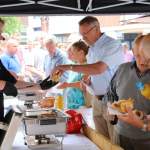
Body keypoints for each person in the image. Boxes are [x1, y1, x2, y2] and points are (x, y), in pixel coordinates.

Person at [52, 16, 124, 138]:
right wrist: (88, 79)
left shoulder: (112, 45)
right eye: (81, 34)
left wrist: (68, 67)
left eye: (85, 34)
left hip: (113, 100)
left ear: (96, 29)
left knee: (115, 141)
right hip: (96, 100)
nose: (83, 38)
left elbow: (98, 68)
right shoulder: (91, 49)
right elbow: (97, 73)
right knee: (101, 141)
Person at [104, 34, 150, 150]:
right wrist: (110, 108)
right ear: (133, 51)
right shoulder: (122, 69)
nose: (142, 61)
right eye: (138, 56)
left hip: (146, 139)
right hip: (120, 134)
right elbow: (110, 94)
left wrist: (142, 124)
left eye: (146, 57)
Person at [57, 40, 88, 109]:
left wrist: (67, 85)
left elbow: (85, 84)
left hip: (81, 104)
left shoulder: (86, 66)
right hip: (73, 104)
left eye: (73, 53)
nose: (71, 55)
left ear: (81, 52)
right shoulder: (76, 66)